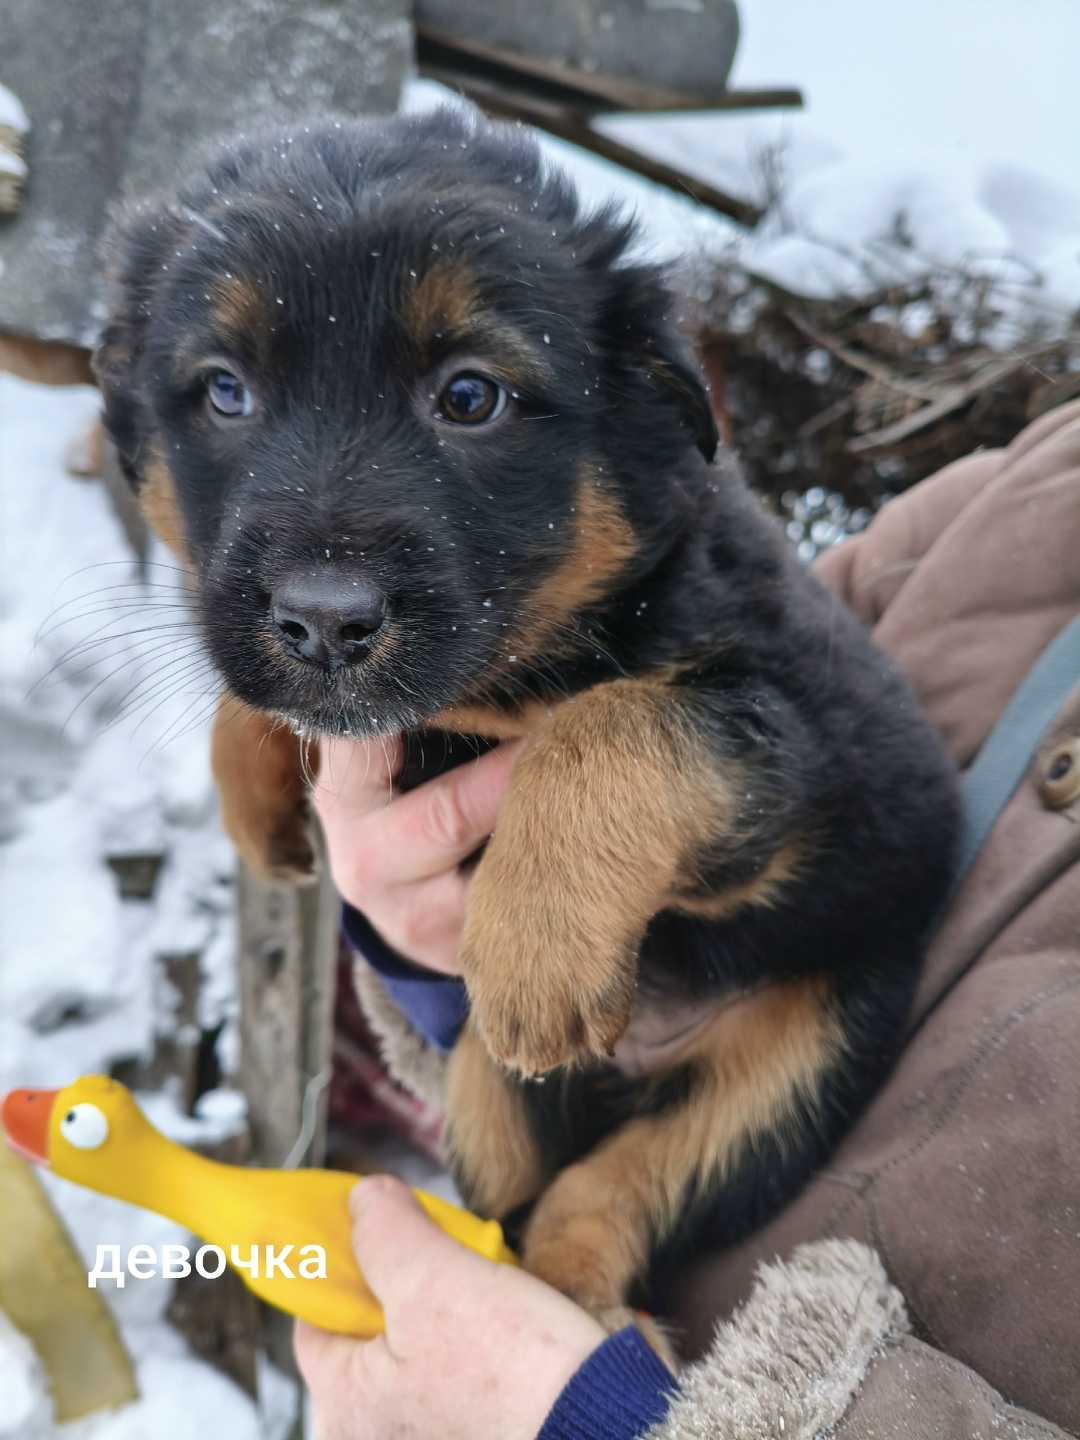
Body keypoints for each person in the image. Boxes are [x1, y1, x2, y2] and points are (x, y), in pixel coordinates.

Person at [296, 402, 1080, 1439]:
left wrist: (600, 1419)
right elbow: (737, 664)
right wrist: (446, 936)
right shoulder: (1032, 486)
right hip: (523, 1236)